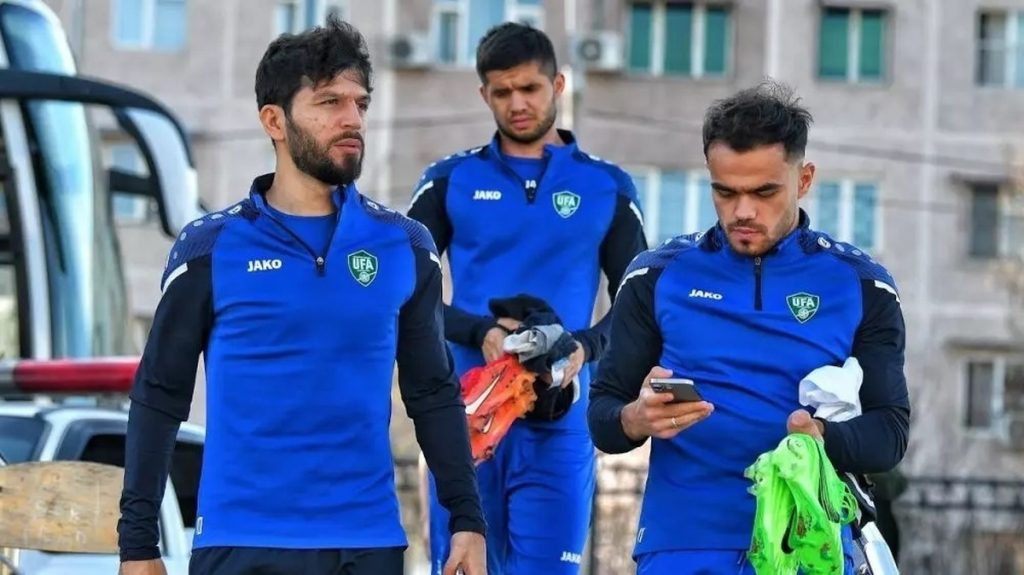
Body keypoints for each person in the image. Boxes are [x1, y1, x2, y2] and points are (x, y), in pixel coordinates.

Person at [116, 17, 486, 575]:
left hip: (366, 544)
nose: (352, 118)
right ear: (274, 120)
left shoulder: (405, 246)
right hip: (242, 544)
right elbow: (160, 394)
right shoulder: (210, 247)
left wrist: (467, 520)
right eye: (330, 101)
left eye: (360, 103)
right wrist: (138, 546)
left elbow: (432, 392)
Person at [587, 80, 911, 574]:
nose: (742, 211)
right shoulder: (656, 277)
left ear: (804, 179)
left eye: (764, 192)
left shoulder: (862, 285)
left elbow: (890, 432)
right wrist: (635, 418)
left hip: (808, 547)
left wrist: (821, 435)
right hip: (685, 544)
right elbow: (603, 416)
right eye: (725, 191)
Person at [407, 22, 648, 575]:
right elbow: (404, 294)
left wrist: (582, 348)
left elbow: (637, 307)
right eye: (502, 91)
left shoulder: (607, 187)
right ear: (484, 94)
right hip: (465, 416)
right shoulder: (448, 181)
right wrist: (481, 333)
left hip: (558, 418)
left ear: (558, 85)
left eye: (530, 88)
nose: (517, 103)